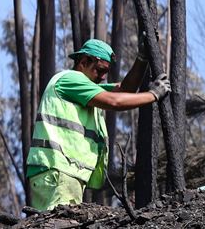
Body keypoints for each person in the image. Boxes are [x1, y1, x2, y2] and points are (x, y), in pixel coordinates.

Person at [26, 37, 170, 210]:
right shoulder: (70, 80)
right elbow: (114, 101)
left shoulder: (83, 87)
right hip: (56, 169)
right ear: (84, 61)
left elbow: (124, 90)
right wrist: (153, 95)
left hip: (62, 171)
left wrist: (141, 59)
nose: (102, 77)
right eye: (100, 70)